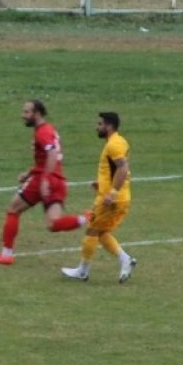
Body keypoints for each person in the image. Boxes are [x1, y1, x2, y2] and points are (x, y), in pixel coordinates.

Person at [0, 100, 89, 266]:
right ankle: (85, 219)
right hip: (58, 181)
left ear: (37, 114)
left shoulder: (42, 132)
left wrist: (43, 180)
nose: (23, 116)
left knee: (13, 209)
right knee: (52, 224)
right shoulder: (49, 130)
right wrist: (29, 173)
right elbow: (47, 158)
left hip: (44, 180)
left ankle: (6, 255)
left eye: (27, 112)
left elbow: (52, 153)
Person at [62, 112, 137, 282]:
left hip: (113, 200)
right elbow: (116, 169)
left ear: (109, 126)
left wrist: (112, 193)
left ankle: (83, 271)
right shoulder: (119, 141)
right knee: (102, 232)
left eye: (100, 124)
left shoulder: (113, 145)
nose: (97, 127)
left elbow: (123, 169)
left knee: (92, 229)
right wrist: (102, 184)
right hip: (121, 197)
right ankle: (126, 260)